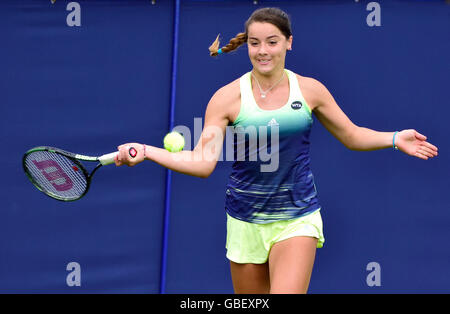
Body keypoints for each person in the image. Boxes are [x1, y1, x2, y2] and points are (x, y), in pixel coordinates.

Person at [114, 7, 438, 294]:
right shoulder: (227, 98)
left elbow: (351, 135)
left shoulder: (310, 90)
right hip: (245, 220)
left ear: (288, 42)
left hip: (298, 216)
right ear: (246, 46)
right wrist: (147, 150)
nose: (262, 51)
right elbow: (202, 162)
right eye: (255, 43)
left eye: (272, 41)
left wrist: (395, 138)